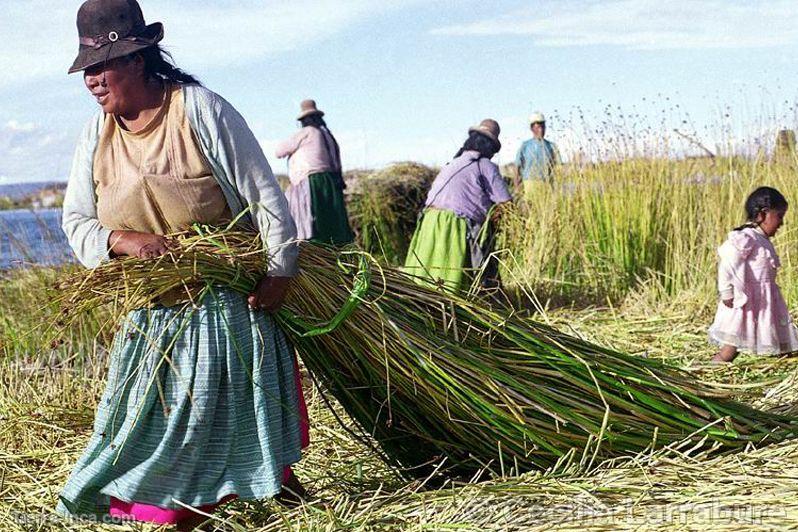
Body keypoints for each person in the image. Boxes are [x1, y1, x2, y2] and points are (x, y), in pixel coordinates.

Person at [56, 1, 309, 529]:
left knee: (201, 431)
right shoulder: (93, 137)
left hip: (219, 306)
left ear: (140, 59)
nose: (94, 81)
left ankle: (193, 510)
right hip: (151, 313)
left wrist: (281, 269)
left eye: (104, 66)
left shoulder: (198, 109)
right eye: (88, 70)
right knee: (142, 429)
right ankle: (253, 495)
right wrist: (122, 239)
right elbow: (76, 221)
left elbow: (264, 193)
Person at [403, 119, 512, 293]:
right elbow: (506, 204)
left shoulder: (453, 163)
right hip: (455, 226)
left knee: (426, 280)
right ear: (490, 147)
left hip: (429, 223)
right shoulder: (486, 166)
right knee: (453, 282)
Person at [709, 186, 798, 363]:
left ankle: (788, 359)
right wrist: (726, 291)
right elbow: (727, 262)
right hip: (747, 305)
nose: (782, 223)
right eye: (779, 216)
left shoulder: (762, 239)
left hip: (766, 302)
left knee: (783, 338)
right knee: (729, 351)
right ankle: (705, 370)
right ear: (763, 214)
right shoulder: (747, 237)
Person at [275, 100, 354, 245]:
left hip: (312, 181)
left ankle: (314, 249)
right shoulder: (326, 135)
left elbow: (279, 152)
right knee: (330, 222)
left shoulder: (306, 133)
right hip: (329, 181)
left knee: (314, 222)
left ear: (305, 121)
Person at [514, 111, 560, 190]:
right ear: (532, 128)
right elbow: (517, 167)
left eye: (543, 127)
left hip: (547, 184)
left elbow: (557, 167)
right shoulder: (525, 146)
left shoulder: (551, 146)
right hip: (529, 184)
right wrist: (517, 187)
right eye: (538, 127)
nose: (541, 130)